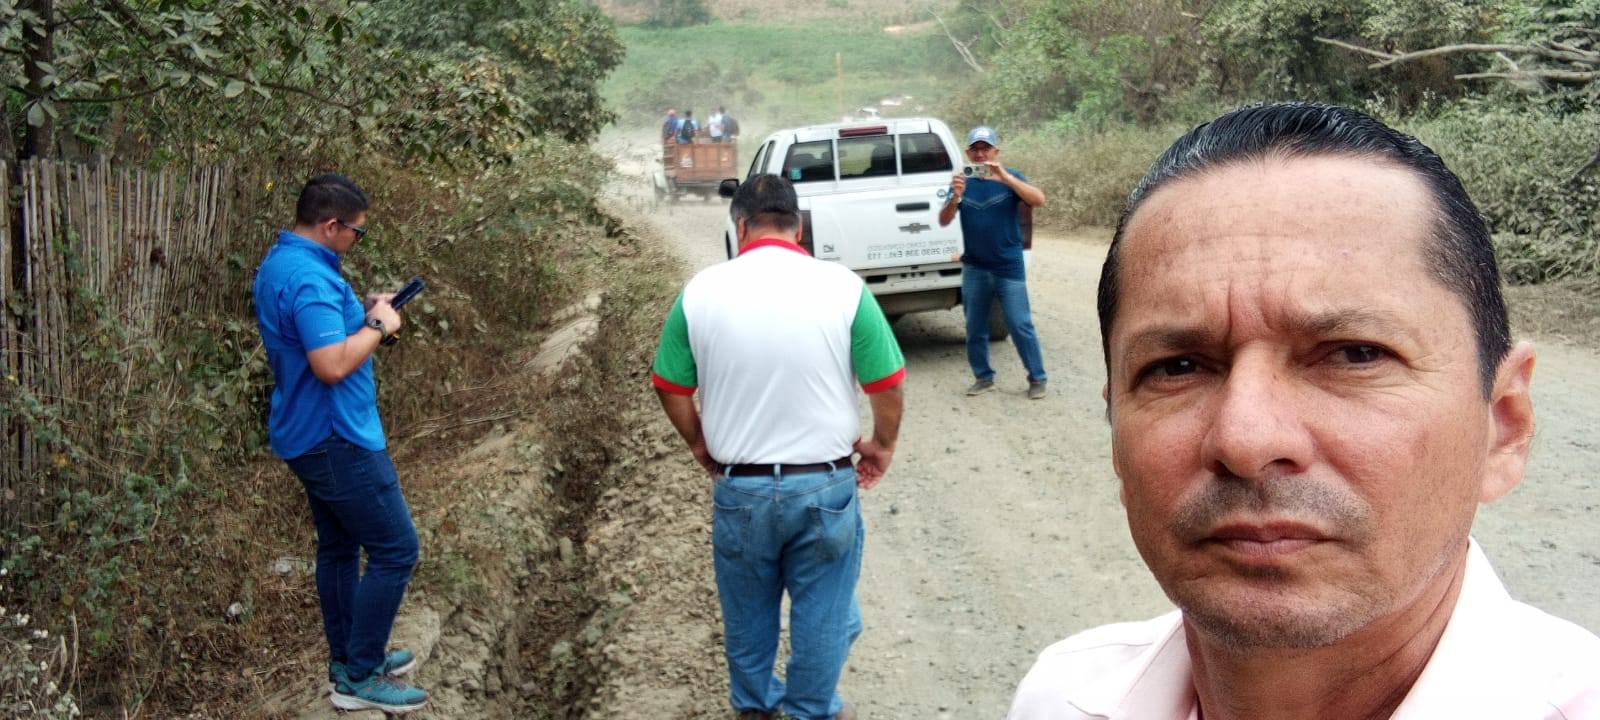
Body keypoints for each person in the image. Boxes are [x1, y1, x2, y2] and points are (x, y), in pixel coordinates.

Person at [1006, 102, 1600, 719]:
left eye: (1355, 354)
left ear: (1503, 424)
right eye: (1177, 367)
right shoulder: (1059, 700)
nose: (1246, 439)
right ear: (1117, 438)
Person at [651, 174, 905, 720]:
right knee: (825, 612)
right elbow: (886, 382)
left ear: (740, 225)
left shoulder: (700, 291)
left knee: (747, 612)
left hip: (740, 488)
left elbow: (669, 384)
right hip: (824, 485)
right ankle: (811, 710)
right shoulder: (843, 287)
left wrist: (699, 443)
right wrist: (881, 445)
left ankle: (755, 706)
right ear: (799, 226)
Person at [252, 174, 429, 715]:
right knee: (397, 549)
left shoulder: (284, 261)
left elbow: (324, 333)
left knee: (338, 547)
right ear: (331, 224)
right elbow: (330, 364)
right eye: (356, 230)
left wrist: (366, 316)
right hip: (337, 437)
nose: (357, 238)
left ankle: (350, 658)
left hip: (307, 431)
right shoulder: (309, 278)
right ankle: (360, 676)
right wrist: (377, 324)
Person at [938, 125, 1049, 400]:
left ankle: (1037, 378)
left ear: (995, 151)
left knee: (1019, 323)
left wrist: (1006, 178)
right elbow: (943, 220)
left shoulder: (1012, 177)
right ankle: (983, 377)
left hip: (1008, 265)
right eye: (975, 149)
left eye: (985, 148)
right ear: (967, 153)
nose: (980, 154)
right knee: (974, 326)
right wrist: (955, 196)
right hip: (975, 267)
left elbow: (1039, 199)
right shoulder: (961, 181)